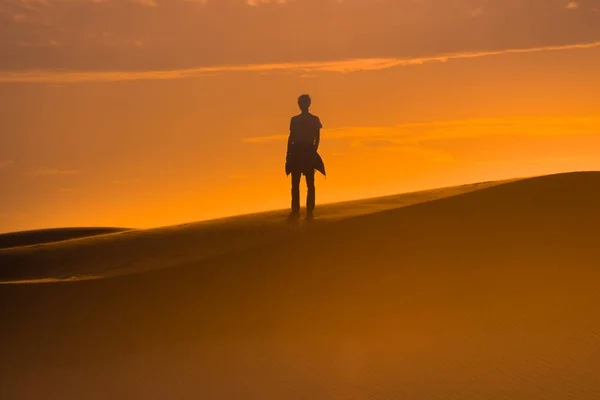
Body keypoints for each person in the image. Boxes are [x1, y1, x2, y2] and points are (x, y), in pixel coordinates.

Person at [285, 94, 325, 220]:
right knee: (298, 184)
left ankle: (307, 211)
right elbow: (291, 138)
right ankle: (297, 211)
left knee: (308, 184)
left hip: (305, 152)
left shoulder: (312, 119)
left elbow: (317, 137)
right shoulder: (295, 120)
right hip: (299, 153)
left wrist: (313, 151)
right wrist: (289, 154)